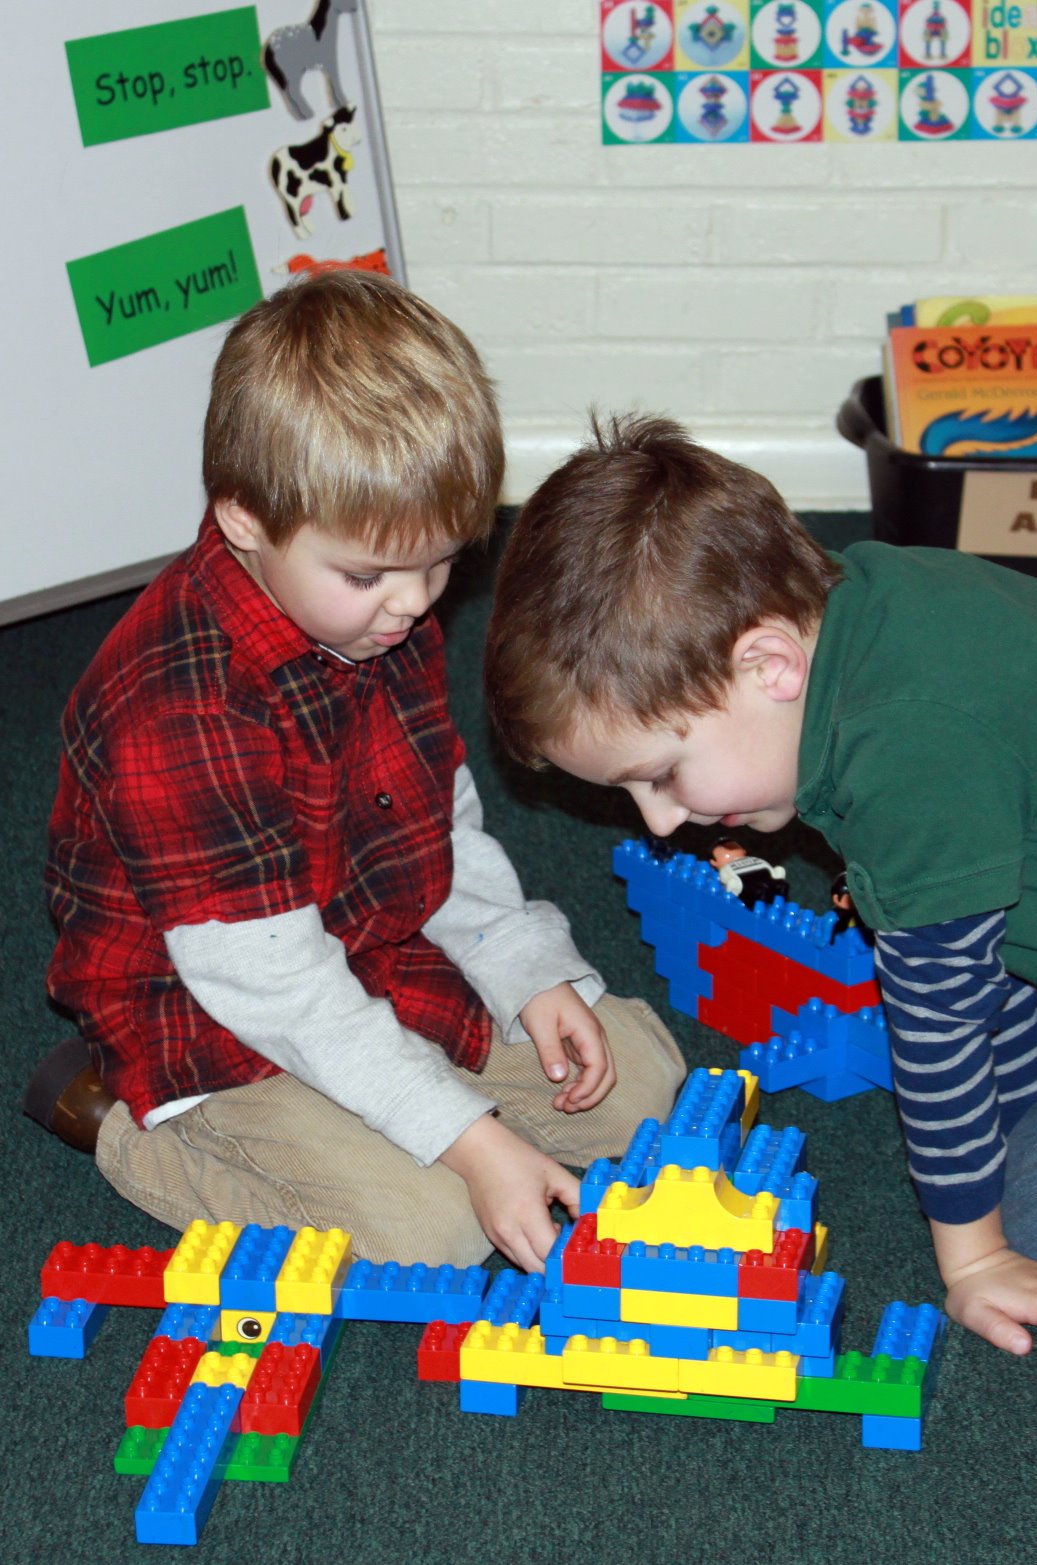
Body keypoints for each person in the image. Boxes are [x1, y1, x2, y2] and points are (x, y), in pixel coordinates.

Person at [35, 276, 684, 1275]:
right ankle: (131, 1128)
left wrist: (527, 968)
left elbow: (440, 828)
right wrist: (470, 1140)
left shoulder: (381, 618)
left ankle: (431, 1114)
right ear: (244, 519)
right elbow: (283, 993)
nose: (417, 605)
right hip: (216, 1013)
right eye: (372, 574)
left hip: (357, 936)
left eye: (441, 563)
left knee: (638, 1077)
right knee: (435, 1230)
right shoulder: (179, 706)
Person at [483, 411, 1037, 1355]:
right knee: (1015, 1058)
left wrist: (975, 1260)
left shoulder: (909, 753)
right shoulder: (860, 608)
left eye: (663, 773)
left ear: (767, 664)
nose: (659, 820)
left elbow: (940, 1018)